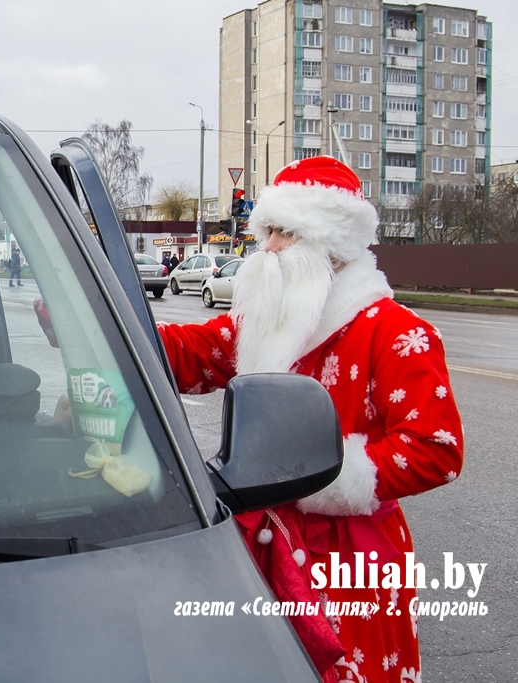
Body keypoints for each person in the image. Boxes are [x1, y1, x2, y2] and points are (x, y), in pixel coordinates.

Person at [155, 157, 463, 682]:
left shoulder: (393, 331)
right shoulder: (272, 323)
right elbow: (193, 354)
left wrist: (318, 478)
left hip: (351, 559)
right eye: (267, 230)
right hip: (267, 548)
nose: (268, 247)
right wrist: (91, 322)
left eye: (285, 233)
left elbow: (435, 448)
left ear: (333, 244)